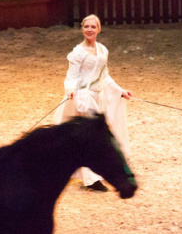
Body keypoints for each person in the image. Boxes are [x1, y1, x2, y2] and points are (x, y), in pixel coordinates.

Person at [54, 14, 133, 191]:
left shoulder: (103, 50)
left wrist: (120, 91)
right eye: (86, 27)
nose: (89, 30)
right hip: (83, 97)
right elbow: (71, 77)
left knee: (93, 134)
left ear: (98, 29)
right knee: (93, 135)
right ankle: (91, 179)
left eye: (93, 27)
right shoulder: (77, 53)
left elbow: (104, 76)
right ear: (82, 29)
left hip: (99, 96)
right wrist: (71, 90)